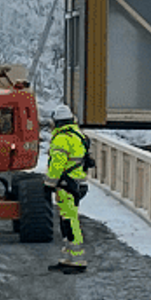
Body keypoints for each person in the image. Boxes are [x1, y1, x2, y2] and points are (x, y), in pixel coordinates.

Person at [41, 113, 90, 273]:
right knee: (67, 220)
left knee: (69, 222)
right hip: (77, 184)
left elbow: (57, 164)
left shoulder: (62, 138)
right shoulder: (78, 135)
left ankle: (77, 261)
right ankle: (68, 258)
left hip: (66, 185)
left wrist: (49, 184)